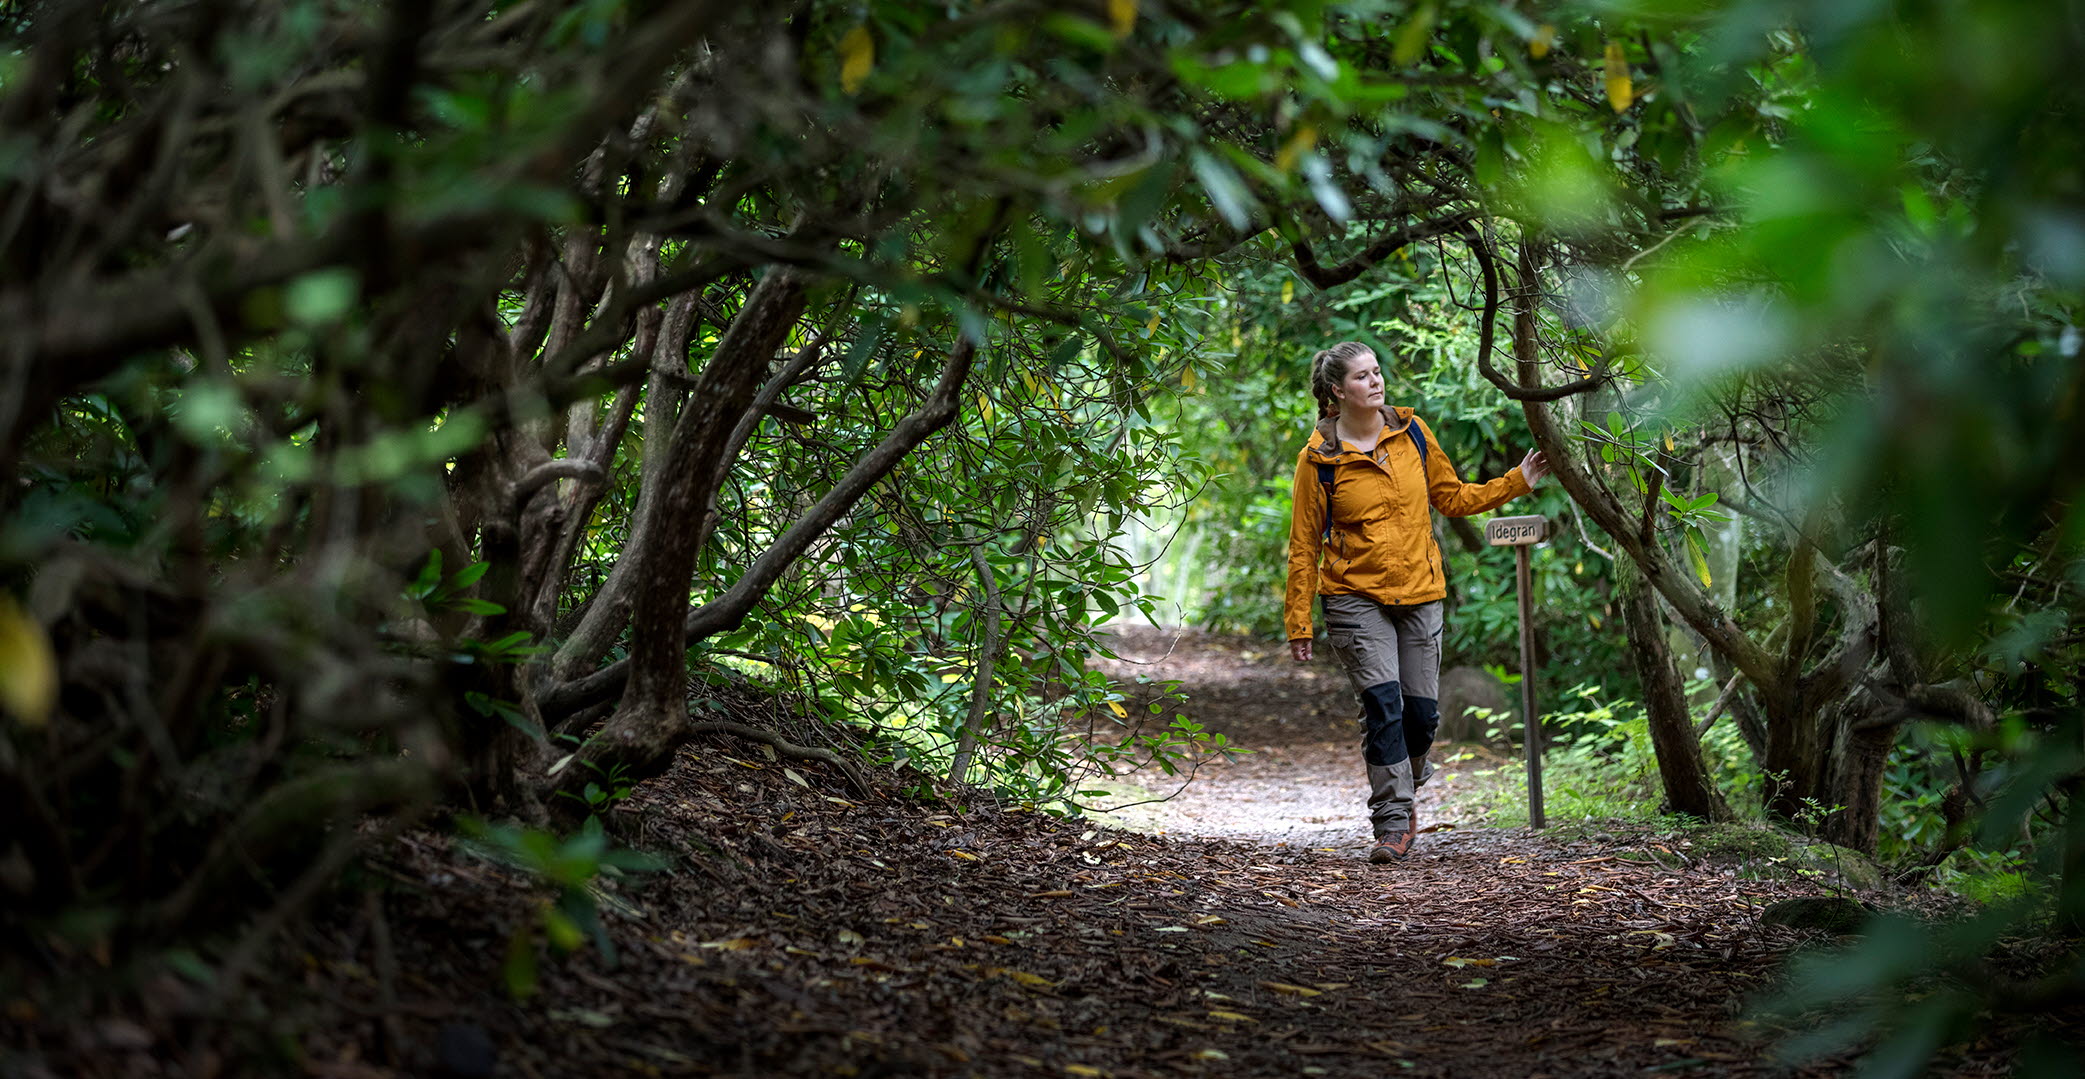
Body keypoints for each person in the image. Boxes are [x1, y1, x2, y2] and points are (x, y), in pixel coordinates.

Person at [1284, 341, 1549, 864]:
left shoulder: (1413, 435)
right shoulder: (1318, 460)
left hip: (1421, 593)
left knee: (1422, 715)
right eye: (1362, 376)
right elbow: (1303, 544)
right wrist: (1299, 622)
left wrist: (1518, 481)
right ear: (1338, 393)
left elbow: (1452, 498)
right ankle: (1392, 821)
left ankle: (1408, 766)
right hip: (1353, 598)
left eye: (1377, 372)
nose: (1376, 382)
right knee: (1383, 705)